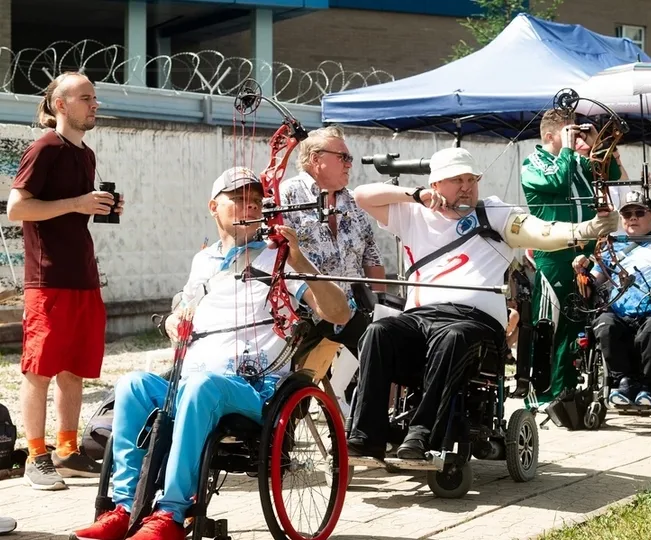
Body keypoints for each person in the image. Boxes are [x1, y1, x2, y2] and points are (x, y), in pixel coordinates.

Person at [70, 167, 351, 540]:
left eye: (255, 201)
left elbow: (339, 314)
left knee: (199, 387)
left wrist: (299, 260)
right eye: (237, 200)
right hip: (190, 383)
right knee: (132, 384)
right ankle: (124, 508)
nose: (248, 207)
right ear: (213, 207)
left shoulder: (280, 258)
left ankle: (171, 514)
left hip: (254, 389)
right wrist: (173, 320)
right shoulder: (203, 261)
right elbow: (185, 307)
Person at [349, 146, 618, 460]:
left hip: (474, 323)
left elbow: (540, 231)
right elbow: (362, 195)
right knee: (378, 331)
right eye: (456, 179)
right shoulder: (412, 213)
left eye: (471, 179)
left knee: (453, 337)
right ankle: (368, 435)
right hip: (420, 318)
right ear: (435, 185)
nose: (466, 186)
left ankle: (421, 434)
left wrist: (584, 230)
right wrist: (415, 194)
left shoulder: (493, 212)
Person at [7, 72, 123, 490]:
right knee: (39, 371)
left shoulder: (85, 154)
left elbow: (70, 212)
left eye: (95, 98)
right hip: (48, 279)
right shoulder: (45, 148)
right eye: (86, 98)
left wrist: (101, 206)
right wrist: (77, 202)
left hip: (83, 277)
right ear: (60, 104)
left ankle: (67, 452)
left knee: (74, 370)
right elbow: (17, 209)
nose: (95, 105)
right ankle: (36, 457)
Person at [520, 109, 627, 403]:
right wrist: (569, 149)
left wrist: (598, 145)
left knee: (576, 324)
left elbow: (613, 176)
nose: (576, 137)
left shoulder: (578, 160)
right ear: (550, 136)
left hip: (586, 254)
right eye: (570, 132)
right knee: (548, 325)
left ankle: (565, 390)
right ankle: (540, 395)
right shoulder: (532, 164)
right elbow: (558, 182)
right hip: (553, 254)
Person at [573, 191, 651, 407]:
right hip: (618, 313)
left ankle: (648, 386)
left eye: (639, 212)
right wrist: (583, 272)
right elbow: (595, 283)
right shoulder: (609, 246)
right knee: (604, 325)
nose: (633, 218)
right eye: (627, 214)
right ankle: (624, 382)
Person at [279, 125, 385, 358]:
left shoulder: (353, 201)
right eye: (343, 157)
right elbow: (279, 257)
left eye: (350, 158)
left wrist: (381, 308)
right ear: (316, 158)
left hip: (354, 313)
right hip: (307, 314)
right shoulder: (285, 195)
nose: (349, 163)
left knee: (387, 357)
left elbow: (372, 257)